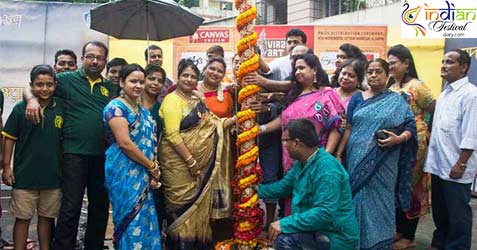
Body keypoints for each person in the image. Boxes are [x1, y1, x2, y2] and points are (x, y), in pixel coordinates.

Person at [25, 41, 114, 250]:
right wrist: (30, 100)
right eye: (90, 56)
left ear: (105, 62)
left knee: (99, 208)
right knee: (70, 207)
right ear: (82, 58)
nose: (94, 61)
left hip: (102, 156)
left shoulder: (110, 87)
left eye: (99, 58)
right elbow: (33, 84)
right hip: (73, 154)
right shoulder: (65, 80)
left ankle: (94, 246)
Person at [158, 59, 236, 249]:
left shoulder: (196, 101)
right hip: (178, 167)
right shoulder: (171, 100)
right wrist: (191, 162)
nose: (189, 79)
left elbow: (215, 124)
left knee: (200, 208)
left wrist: (237, 118)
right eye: (185, 75)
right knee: (181, 209)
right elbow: (172, 135)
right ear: (178, 76)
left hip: (200, 166)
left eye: (193, 76)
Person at [342, 58, 417, 250]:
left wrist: (398, 140)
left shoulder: (397, 100)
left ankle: (379, 244)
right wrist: (339, 153)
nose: (374, 75)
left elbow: (410, 126)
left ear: (387, 74)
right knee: (357, 198)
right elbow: (348, 129)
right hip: (355, 158)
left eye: (378, 72)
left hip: (385, 161)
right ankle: (356, 243)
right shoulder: (357, 98)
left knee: (381, 201)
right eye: (370, 72)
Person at [260, 53, 345, 216]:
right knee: (292, 195)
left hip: (316, 157)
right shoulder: (293, 96)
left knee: (313, 198)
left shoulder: (326, 94)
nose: (298, 71)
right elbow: (283, 121)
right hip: (290, 158)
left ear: (314, 70)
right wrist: (261, 129)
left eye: (302, 67)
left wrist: (325, 156)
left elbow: (337, 126)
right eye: (296, 69)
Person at [258, 118, 359, 250]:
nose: (284, 146)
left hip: (335, 235)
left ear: (296, 143)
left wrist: (284, 223)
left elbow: (324, 213)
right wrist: (254, 191)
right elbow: (283, 187)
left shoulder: (327, 169)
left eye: (285, 141)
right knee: (284, 235)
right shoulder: (302, 162)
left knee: (285, 240)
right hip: (316, 229)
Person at [2, 65, 63, 250]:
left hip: (53, 177)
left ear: (55, 85)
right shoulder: (21, 109)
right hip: (24, 177)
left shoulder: (61, 108)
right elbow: (9, 138)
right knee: (22, 219)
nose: (44, 89)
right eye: (39, 85)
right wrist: (7, 166)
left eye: (49, 85)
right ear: (31, 85)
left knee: (46, 219)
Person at [103, 64, 162, 249]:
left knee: (146, 219)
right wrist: (151, 166)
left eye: (141, 82)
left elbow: (150, 141)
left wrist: (153, 168)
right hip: (124, 172)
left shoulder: (143, 110)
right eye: (133, 81)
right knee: (130, 219)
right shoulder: (116, 108)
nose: (138, 85)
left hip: (144, 171)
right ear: (121, 82)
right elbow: (125, 143)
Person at [424, 49, 477, 250]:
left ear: (464, 67)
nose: (444, 65)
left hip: (456, 165)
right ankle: (440, 243)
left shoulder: (471, 95)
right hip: (438, 165)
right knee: (440, 210)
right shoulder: (445, 93)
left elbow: (472, 133)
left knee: (458, 214)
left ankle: (457, 246)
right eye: (443, 61)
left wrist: (461, 163)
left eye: (450, 62)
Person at [387, 44, 436, 250]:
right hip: (394, 144)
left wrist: (427, 136)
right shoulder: (391, 87)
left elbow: (434, 110)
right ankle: (399, 229)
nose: (390, 68)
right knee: (397, 186)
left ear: (406, 64)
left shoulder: (418, 86)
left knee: (412, 188)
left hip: (414, 145)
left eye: (393, 63)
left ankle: (410, 235)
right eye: (388, 64)